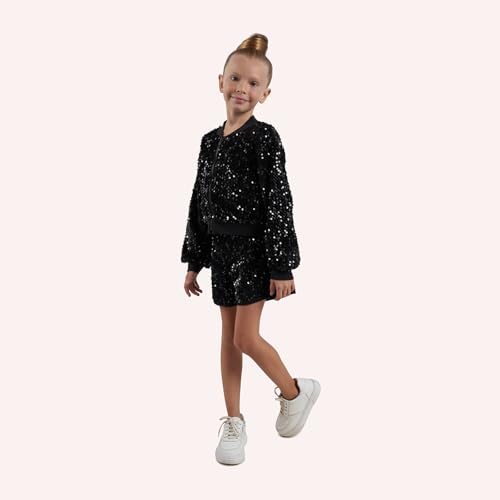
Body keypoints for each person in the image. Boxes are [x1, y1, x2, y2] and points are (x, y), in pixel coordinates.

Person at [180, 33, 321, 466]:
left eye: (253, 83)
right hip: (221, 251)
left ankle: (295, 392)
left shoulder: (265, 138)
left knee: (245, 337)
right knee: (228, 338)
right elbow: (199, 199)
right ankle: (234, 421)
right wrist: (195, 260)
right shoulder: (209, 141)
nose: (242, 88)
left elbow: (279, 200)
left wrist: (281, 265)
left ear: (265, 94)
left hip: (255, 251)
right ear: (221, 82)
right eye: (236, 78)